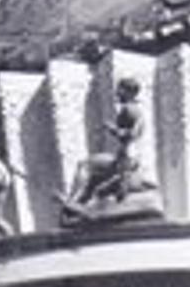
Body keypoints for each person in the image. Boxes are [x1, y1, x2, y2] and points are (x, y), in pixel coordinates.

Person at [62, 76, 152, 217]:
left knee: (85, 165)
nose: (117, 93)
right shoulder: (136, 110)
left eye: (120, 90)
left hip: (125, 160)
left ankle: (75, 202)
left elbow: (131, 135)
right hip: (128, 158)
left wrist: (112, 129)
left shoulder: (129, 109)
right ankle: (82, 205)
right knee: (94, 178)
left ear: (128, 92)